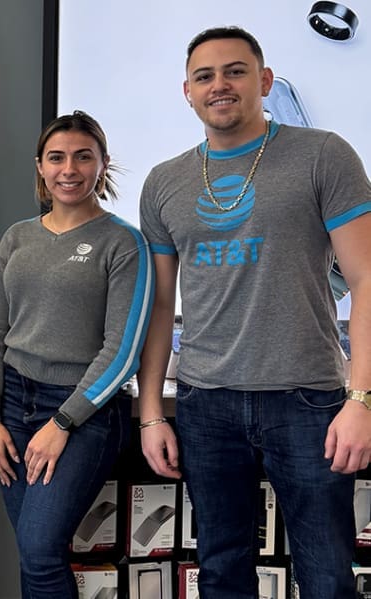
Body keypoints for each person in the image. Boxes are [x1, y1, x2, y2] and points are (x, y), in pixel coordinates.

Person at [138, 26, 371, 598]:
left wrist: (361, 398)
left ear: (264, 81)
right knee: (221, 573)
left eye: (235, 71)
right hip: (205, 402)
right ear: (187, 92)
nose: (220, 85)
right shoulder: (164, 182)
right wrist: (150, 413)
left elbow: (366, 278)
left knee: (327, 576)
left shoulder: (324, 155)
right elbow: (161, 305)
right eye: (205, 76)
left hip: (309, 400)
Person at [0, 111, 154, 598]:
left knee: (38, 550)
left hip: (84, 413)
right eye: (56, 157)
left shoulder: (123, 242)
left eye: (83, 156)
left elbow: (122, 351)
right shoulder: (17, 237)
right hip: (13, 405)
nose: (69, 169)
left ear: (102, 164)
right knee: (35, 554)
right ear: (40, 166)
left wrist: (62, 424)